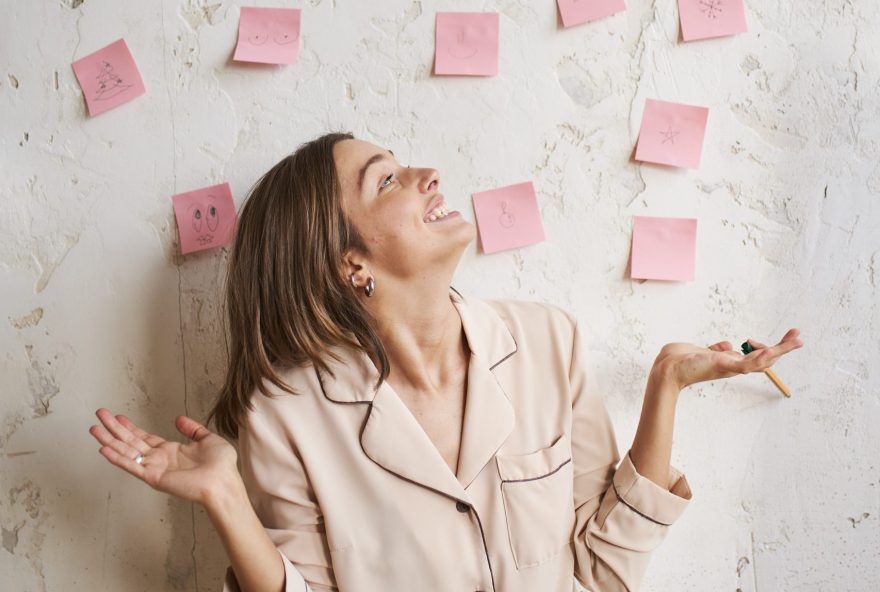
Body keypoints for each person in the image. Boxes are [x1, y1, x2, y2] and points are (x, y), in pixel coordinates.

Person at [89, 132, 803, 592]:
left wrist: (665, 388)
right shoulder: (286, 419)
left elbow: (603, 573)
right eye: (388, 180)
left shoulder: (550, 343)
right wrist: (227, 500)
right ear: (351, 265)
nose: (427, 174)